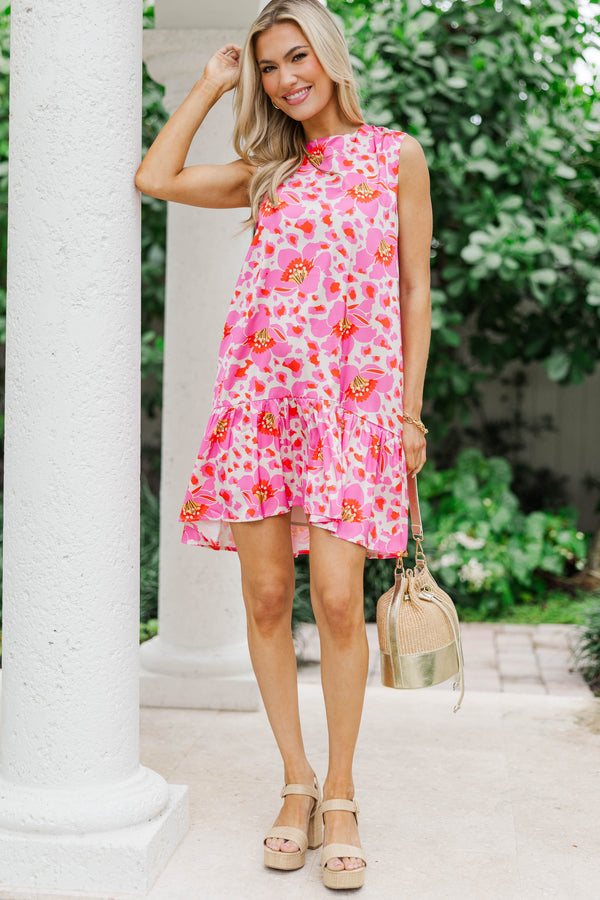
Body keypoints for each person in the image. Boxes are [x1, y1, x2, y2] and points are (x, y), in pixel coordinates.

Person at [135, 0, 431, 890]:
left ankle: (340, 791)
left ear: (330, 57)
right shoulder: (270, 171)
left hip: (349, 410)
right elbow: (156, 176)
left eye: (296, 58)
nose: (285, 78)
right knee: (266, 599)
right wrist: (208, 83)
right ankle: (294, 782)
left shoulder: (395, 157)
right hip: (260, 409)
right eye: (269, 66)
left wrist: (408, 413)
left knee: (339, 602)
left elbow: (415, 288)